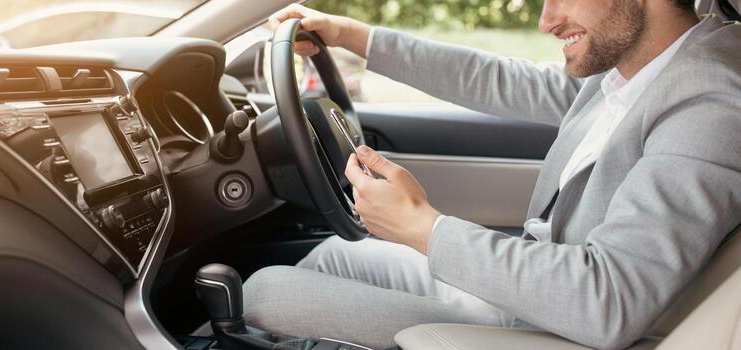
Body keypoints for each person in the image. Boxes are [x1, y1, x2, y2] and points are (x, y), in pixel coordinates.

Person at [240, 1, 741, 349]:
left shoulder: (709, 105)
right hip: (533, 293)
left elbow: (608, 302)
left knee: (262, 295)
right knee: (333, 252)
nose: (546, 20)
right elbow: (502, 81)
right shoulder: (644, 66)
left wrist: (422, 227)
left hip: (555, 330)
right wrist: (353, 36)